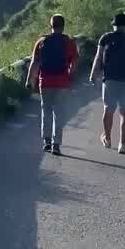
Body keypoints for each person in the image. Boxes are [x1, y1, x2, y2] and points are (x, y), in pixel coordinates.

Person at [26, 14, 79, 153]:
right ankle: (56, 144)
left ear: (51, 26)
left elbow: (34, 63)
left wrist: (30, 80)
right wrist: (70, 75)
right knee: (59, 113)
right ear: (63, 26)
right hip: (62, 82)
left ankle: (47, 141)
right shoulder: (69, 42)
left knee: (46, 111)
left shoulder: (42, 41)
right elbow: (74, 62)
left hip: (45, 82)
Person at [90, 11, 125, 154]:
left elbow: (98, 57)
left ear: (114, 25)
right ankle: (122, 145)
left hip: (109, 79)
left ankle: (108, 139)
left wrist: (93, 74)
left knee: (108, 110)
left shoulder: (105, 38)